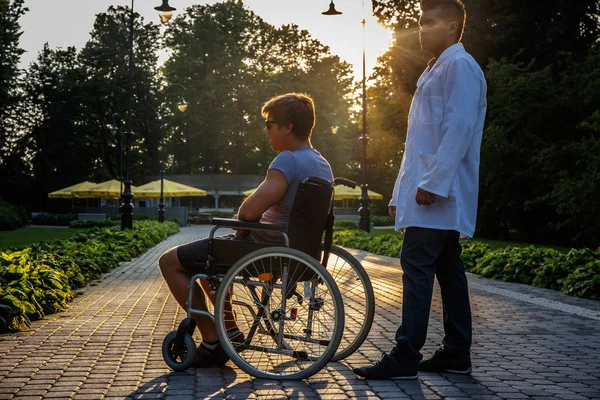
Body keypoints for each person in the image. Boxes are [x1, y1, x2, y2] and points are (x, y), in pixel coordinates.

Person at [353, 0, 487, 380]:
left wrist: (433, 183)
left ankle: (406, 354)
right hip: (429, 191)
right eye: (420, 22)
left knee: (417, 268)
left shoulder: (459, 66)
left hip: (437, 192)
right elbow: (417, 143)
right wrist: (400, 193)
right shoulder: (437, 68)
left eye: (428, 22)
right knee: (448, 269)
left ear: (452, 27)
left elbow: (458, 128)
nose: (421, 29)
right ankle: (456, 354)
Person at [158, 93, 333, 368]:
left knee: (168, 261)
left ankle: (213, 338)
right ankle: (231, 331)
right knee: (210, 270)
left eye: (270, 123)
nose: (266, 130)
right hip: (295, 250)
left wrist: (240, 217)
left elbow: (250, 212)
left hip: (263, 247)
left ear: (288, 127)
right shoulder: (322, 165)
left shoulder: (288, 160)